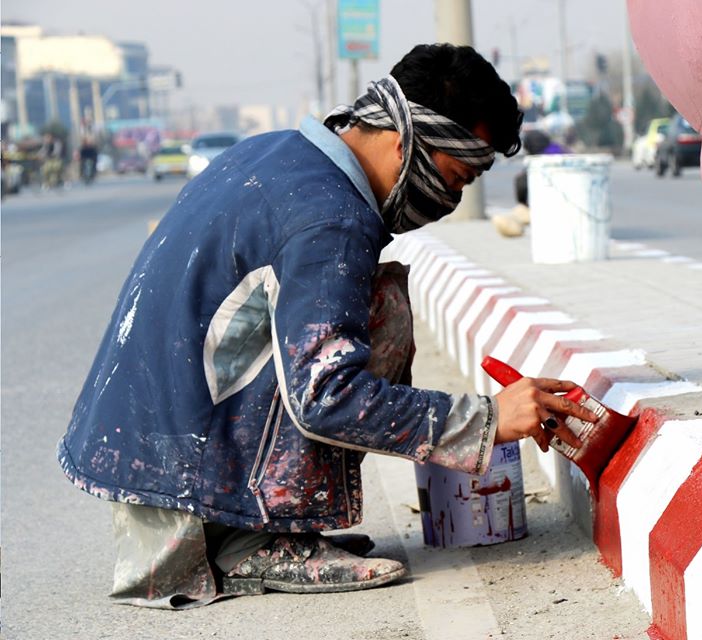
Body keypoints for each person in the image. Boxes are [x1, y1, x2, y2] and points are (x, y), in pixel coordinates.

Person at [58, 43, 598, 609]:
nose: (453, 200)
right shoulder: (331, 218)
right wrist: (485, 420)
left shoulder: (276, 155)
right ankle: (252, 537)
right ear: (404, 141)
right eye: (456, 177)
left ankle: (264, 522)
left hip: (141, 452)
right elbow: (326, 395)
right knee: (382, 309)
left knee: (358, 303)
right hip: (176, 483)